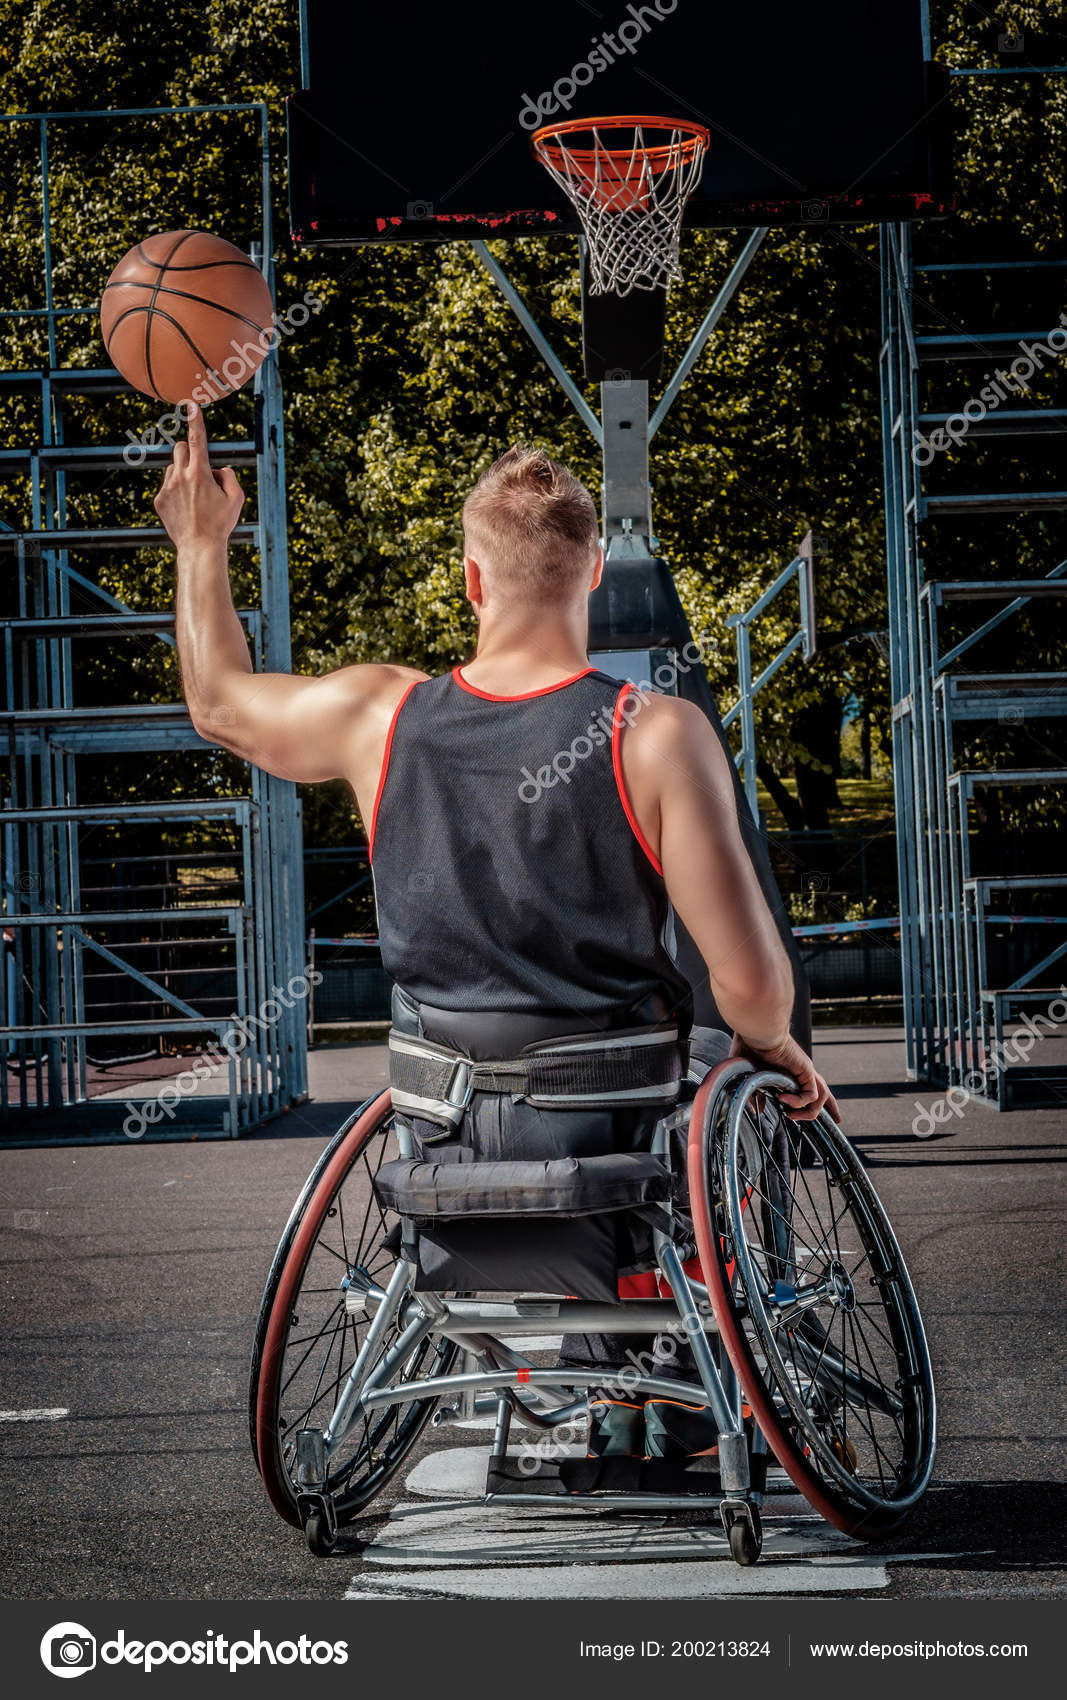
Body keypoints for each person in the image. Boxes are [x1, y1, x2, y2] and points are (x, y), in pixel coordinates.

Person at [155, 409, 839, 1476]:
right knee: (728, 1064)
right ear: (593, 577)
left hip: (442, 1126)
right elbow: (749, 984)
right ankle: (680, 1380)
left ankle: (580, 1375)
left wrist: (202, 542)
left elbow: (217, 704)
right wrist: (778, 1046)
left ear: (472, 580)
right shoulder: (654, 732)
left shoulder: (380, 716)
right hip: (609, 1127)